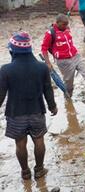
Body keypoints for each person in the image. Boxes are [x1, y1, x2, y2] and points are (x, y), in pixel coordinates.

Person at [0, 32, 57, 180]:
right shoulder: (42, 67)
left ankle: (25, 172)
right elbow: (48, 89)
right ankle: (39, 170)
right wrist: (53, 107)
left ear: (13, 50)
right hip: (37, 112)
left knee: (20, 144)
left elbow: (1, 94)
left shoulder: (6, 70)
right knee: (39, 141)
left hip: (15, 114)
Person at [41, 14, 85, 98]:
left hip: (75, 56)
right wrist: (48, 63)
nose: (65, 26)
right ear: (57, 23)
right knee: (68, 82)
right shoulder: (50, 33)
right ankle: (68, 98)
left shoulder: (67, 29)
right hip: (63, 61)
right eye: (63, 24)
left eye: (67, 24)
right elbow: (44, 49)